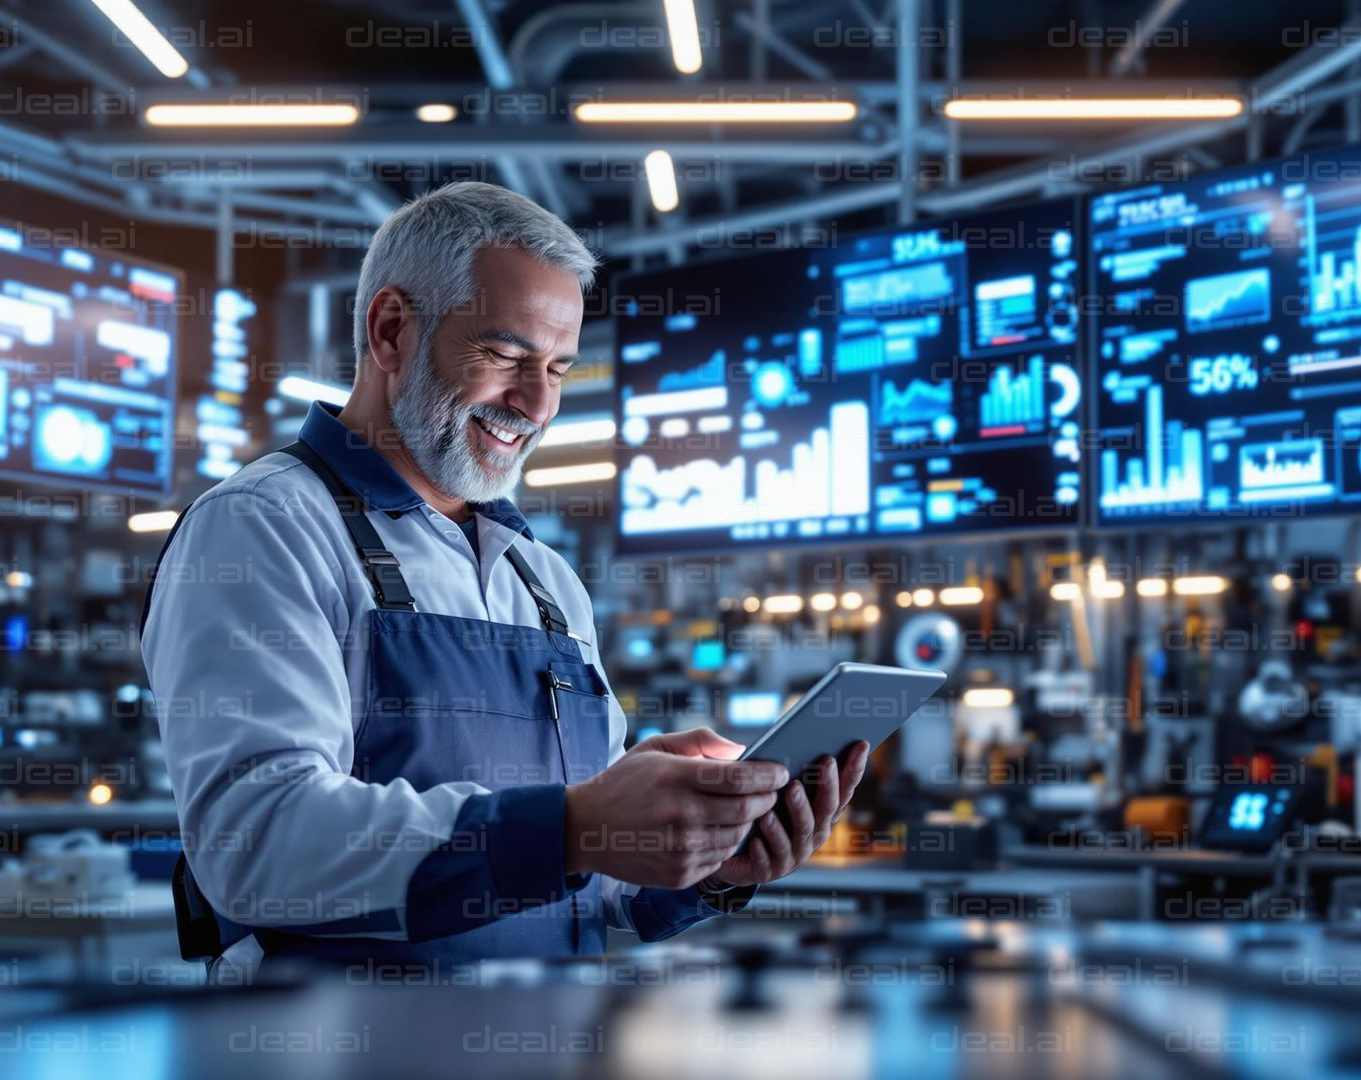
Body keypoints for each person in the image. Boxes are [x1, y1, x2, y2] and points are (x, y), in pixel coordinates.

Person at [142, 182, 869, 976]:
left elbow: (600, 889)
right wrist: (573, 825)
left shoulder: (546, 580)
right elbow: (256, 847)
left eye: (558, 367)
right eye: (506, 356)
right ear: (391, 331)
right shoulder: (264, 527)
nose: (538, 403)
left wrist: (711, 859)